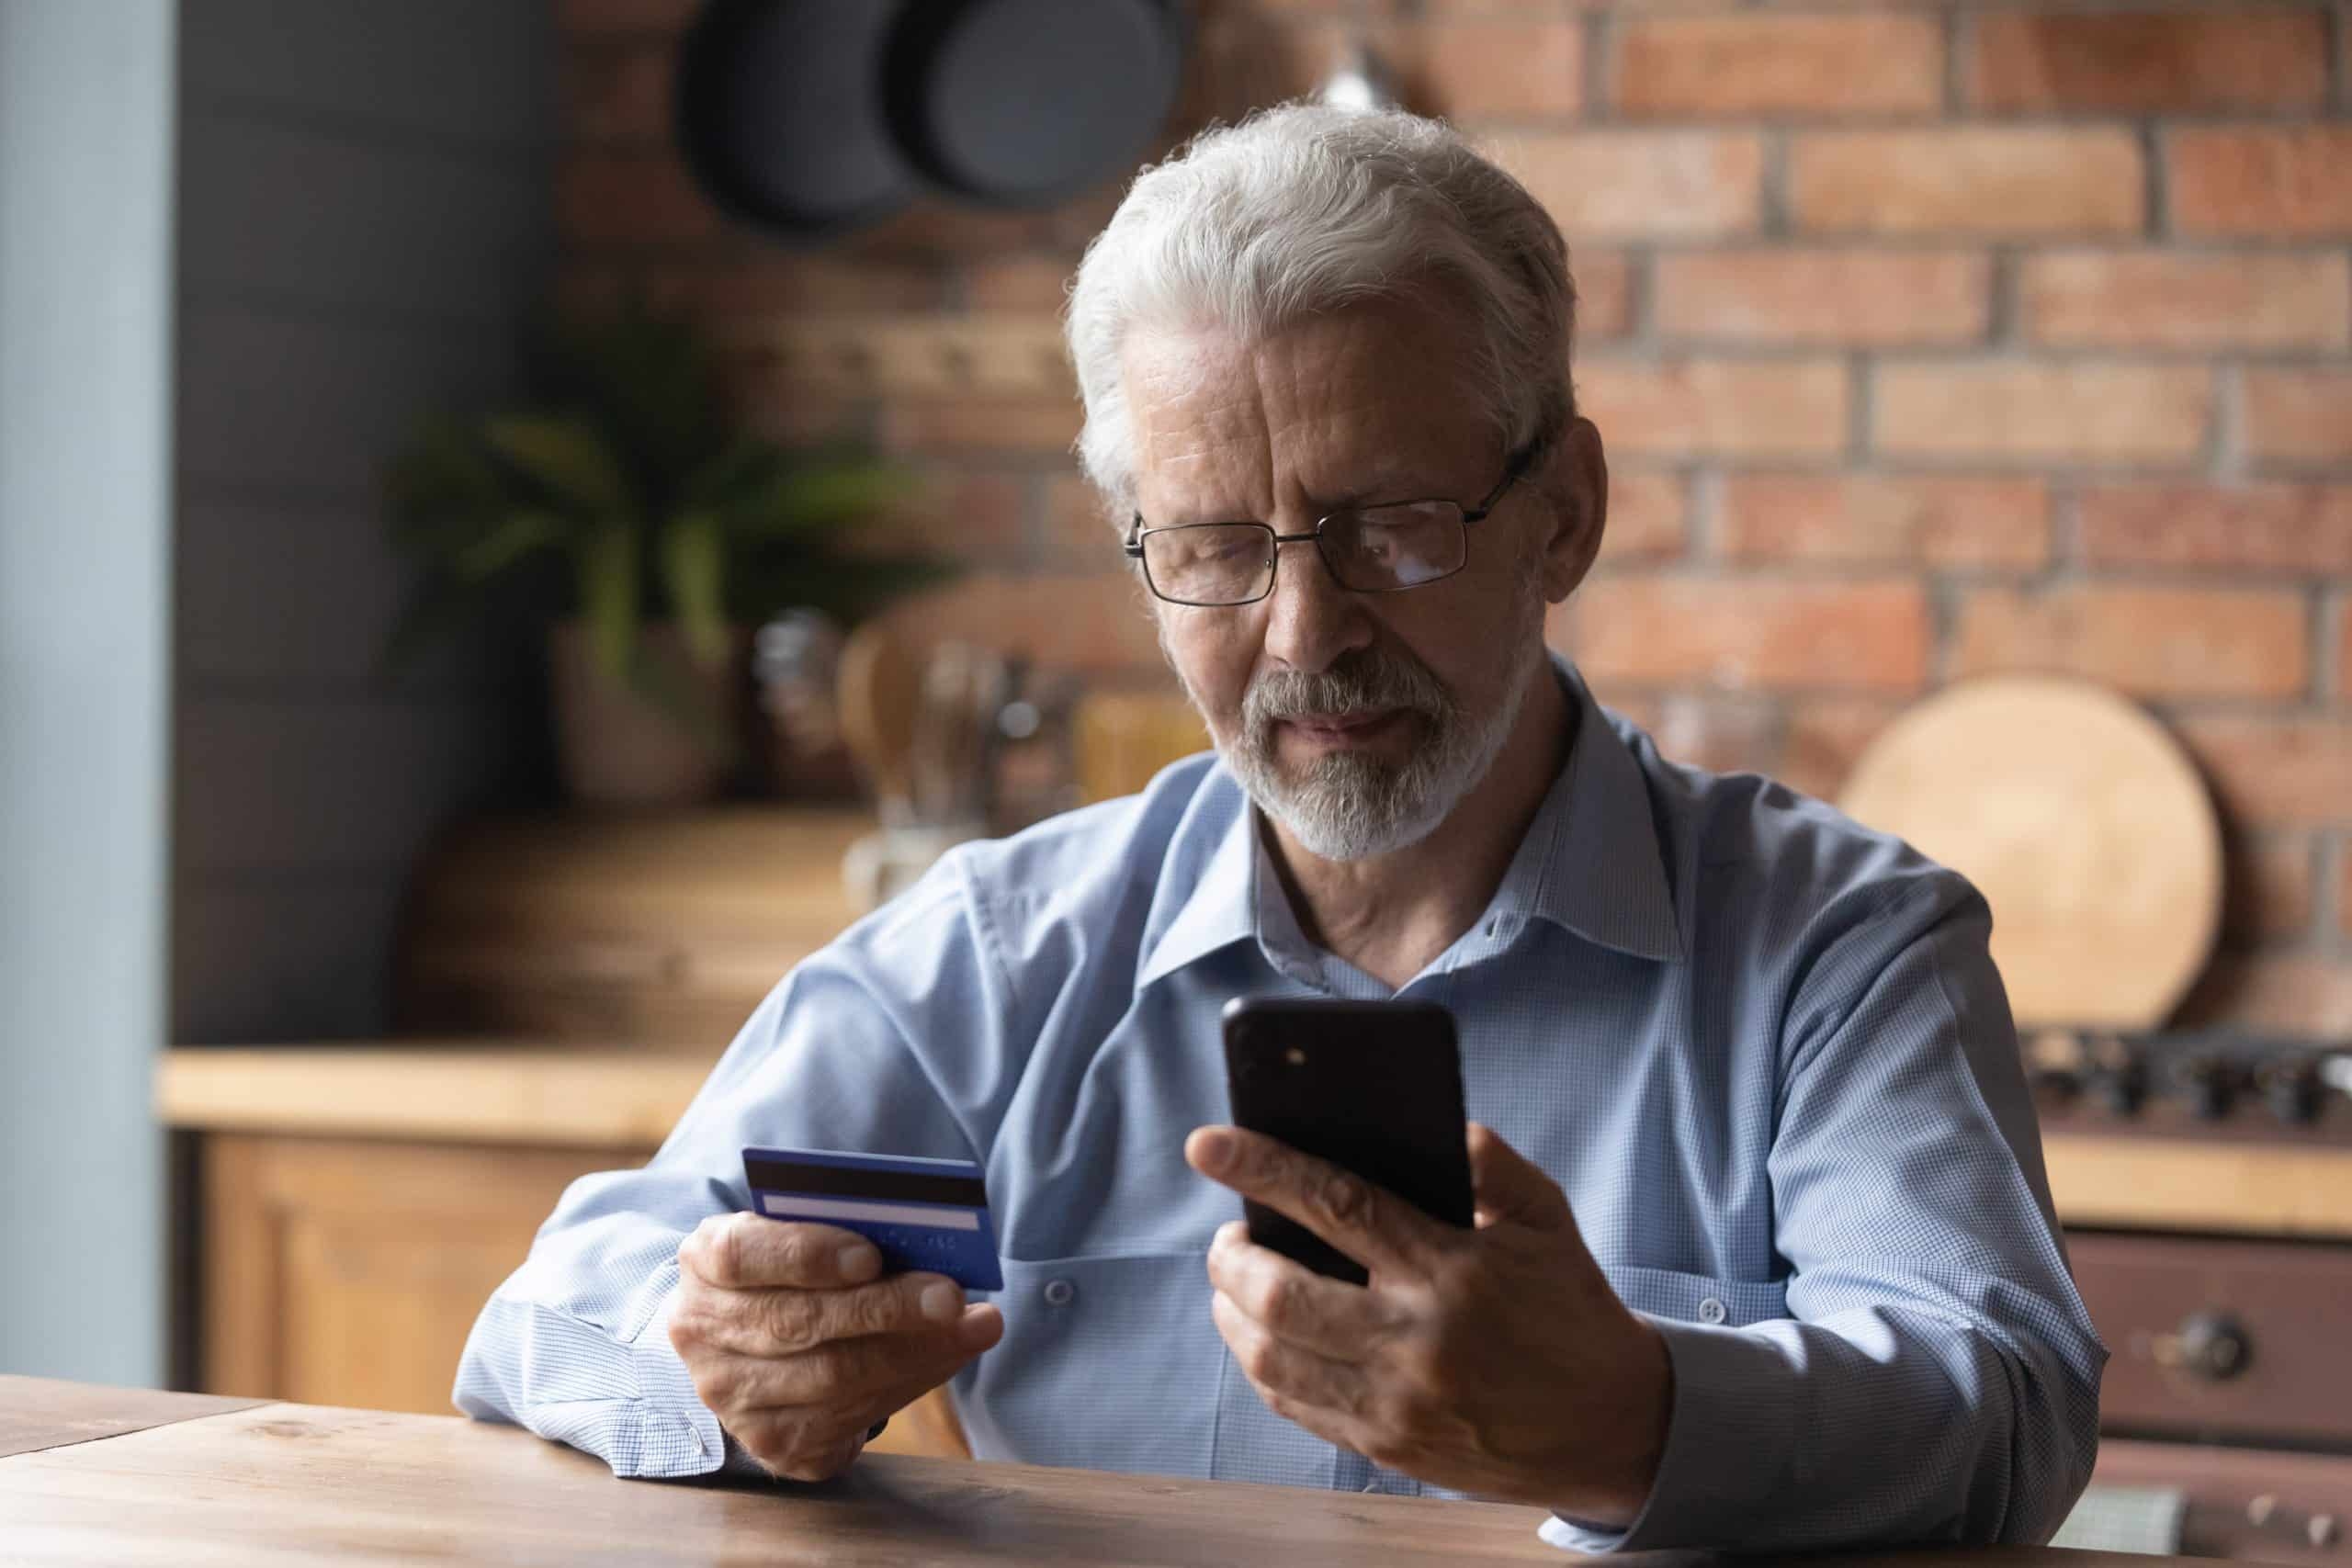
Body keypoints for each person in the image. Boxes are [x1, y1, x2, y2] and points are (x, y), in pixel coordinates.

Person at [454, 103, 2103, 1553]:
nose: (1304, 635)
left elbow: (2010, 1408)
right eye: (1218, 544)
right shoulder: (1004, 954)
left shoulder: (1835, 946)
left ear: (1565, 515)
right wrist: (714, 1364)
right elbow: (548, 1315)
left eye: (1387, 528)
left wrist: (1638, 1416)